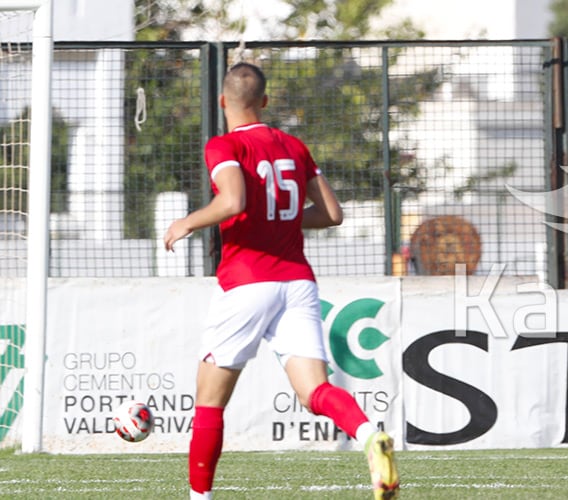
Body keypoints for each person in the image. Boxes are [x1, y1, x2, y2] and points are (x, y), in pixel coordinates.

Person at [162, 62, 398, 500]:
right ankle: (369, 435)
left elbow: (232, 200)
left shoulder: (224, 145)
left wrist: (187, 222)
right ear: (265, 102)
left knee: (210, 401)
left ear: (221, 102)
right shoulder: (293, 145)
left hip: (248, 281)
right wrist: (283, 222)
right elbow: (332, 213)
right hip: (297, 282)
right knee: (315, 391)